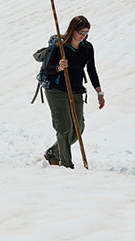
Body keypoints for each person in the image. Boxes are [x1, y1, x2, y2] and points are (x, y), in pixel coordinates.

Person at [42, 15, 103, 168]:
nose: (83, 35)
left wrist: (99, 92)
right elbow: (48, 70)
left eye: (86, 32)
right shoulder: (60, 47)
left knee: (78, 127)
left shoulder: (87, 47)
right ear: (72, 30)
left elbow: (91, 69)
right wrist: (59, 67)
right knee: (64, 127)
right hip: (57, 90)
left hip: (76, 90)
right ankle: (67, 165)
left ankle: (53, 153)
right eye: (80, 32)